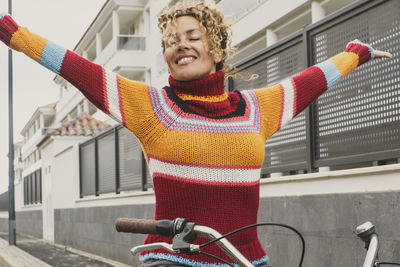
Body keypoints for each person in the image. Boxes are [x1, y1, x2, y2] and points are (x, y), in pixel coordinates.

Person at [0, 1, 392, 267]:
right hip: (172, 256)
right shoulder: (153, 107)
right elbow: (81, 70)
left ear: (216, 49)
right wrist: (17, 36)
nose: (180, 45)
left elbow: (309, 81)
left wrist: (354, 54)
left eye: (191, 36)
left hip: (246, 259)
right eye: (170, 41)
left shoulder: (257, 109)